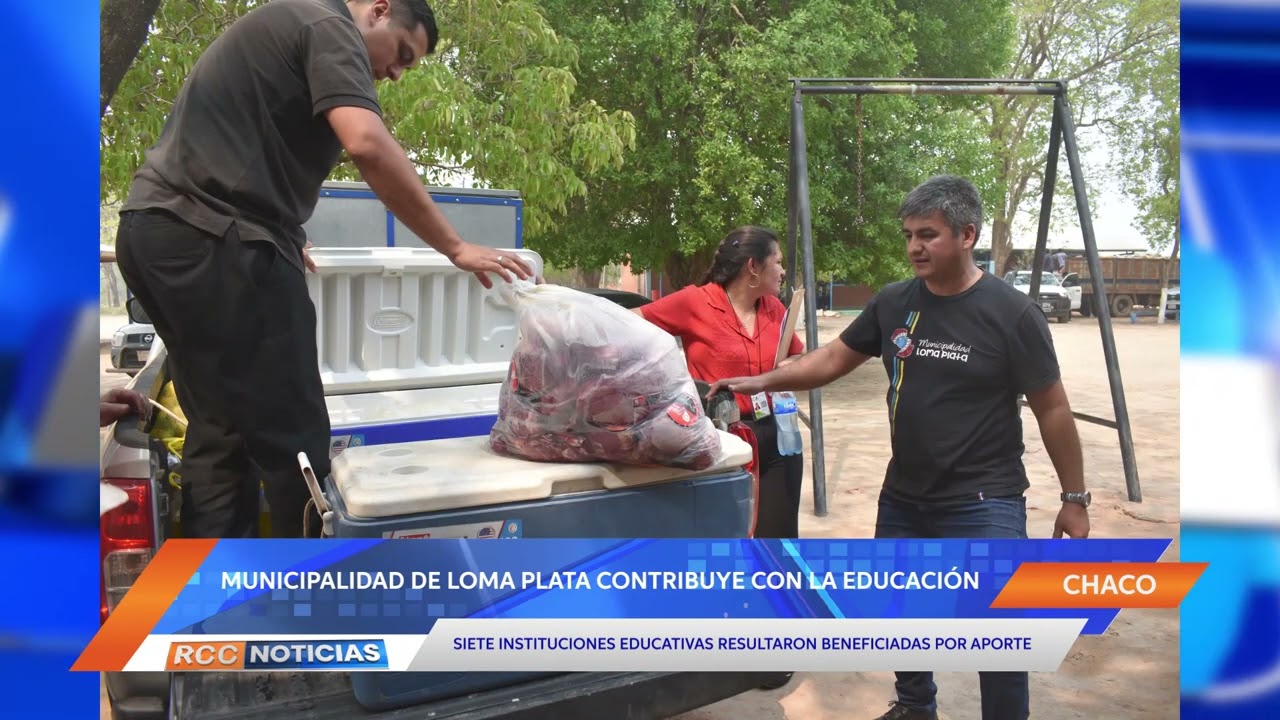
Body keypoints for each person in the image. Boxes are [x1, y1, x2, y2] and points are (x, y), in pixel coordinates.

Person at [114, 0, 532, 540]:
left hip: (161, 233)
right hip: (217, 240)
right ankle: (312, 599)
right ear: (379, 10)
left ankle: (211, 607)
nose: (397, 73)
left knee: (222, 436)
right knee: (298, 443)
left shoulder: (289, 22)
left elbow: (236, 149)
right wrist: (453, 246)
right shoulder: (329, 26)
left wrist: (280, 228)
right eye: (402, 53)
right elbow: (366, 141)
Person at [708, 176, 1090, 720]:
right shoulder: (895, 302)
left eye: (928, 235)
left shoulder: (1012, 314)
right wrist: (760, 381)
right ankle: (915, 707)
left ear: (967, 234)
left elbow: (1052, 407)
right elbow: (834, 359)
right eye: (909, 234)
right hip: (905, 496)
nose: (914, 246)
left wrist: (1074, 496)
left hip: (985, 501)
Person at [634, 226, 805, 539]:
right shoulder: (695, 302)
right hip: (720, 438)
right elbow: (627, 322)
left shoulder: (775, 308)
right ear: (753, 266)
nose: (783, 271)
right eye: (777, 262)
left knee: (778, 542)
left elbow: (795, 356)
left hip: (779, 434)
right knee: (723, 537)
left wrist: (787, 368)